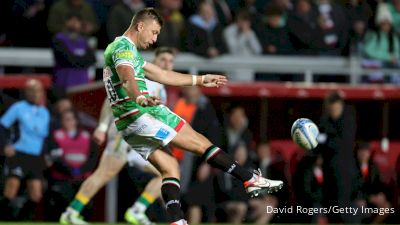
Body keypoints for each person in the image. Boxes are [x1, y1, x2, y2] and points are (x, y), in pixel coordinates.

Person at [62, 7, 283, 225]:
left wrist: (200, 79)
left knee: (170, 169)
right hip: (142, 114)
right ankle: (250, 179)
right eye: (154, 32)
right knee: (201, 143)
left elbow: (162, 74)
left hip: (128, 126)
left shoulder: (127, 52)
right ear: (140, 26)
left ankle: (177, 222)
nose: (155, 38)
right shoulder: (123, 48)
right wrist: (139, 98)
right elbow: (128, 78)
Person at [60, 47, 176, 225]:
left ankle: (137, 211)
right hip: (125, 131)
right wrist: (102, 126)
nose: (167, 64)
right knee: (105, 172)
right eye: (163, 60)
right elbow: (112, 98)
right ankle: (71, 212)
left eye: (170, 61)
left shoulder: (161, 87)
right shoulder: (140, 77)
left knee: (167, 172)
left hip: (141, 137)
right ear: (155, 60)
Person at [0, 79, 50, 220]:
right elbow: (2, 127)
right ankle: (4, 219)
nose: (35, 93)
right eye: (32, 90)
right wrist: (4, 146)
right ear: (26, 92)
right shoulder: (18, 107)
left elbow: (45, 137)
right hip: (18, 153)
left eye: (38, 90)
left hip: (35, 156)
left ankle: (21, 220)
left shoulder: (44, 112)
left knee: (36, 194)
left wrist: (46, 155)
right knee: (11, 190)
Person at [45, 110, 98, 221]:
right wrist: (70, 170)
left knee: (86, 205)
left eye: (70, 119)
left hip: (83, 178)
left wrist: (81, 170)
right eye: (65, 119)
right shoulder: (55, 136)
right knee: (59, 205)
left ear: (75, 121)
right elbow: (53, 156)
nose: (68, 122)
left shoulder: (86, 136)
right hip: (62, 178)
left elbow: (93, 157)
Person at [51, 13, 97, 91]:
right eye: (71, 20)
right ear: (66, 22)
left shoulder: (84, 41)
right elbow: (66, 59)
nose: (74, 23)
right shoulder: (58, 39)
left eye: (77, 21)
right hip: (64, 85)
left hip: (83, 86)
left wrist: (75, 60)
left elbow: (92, 59)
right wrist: (82, 61)